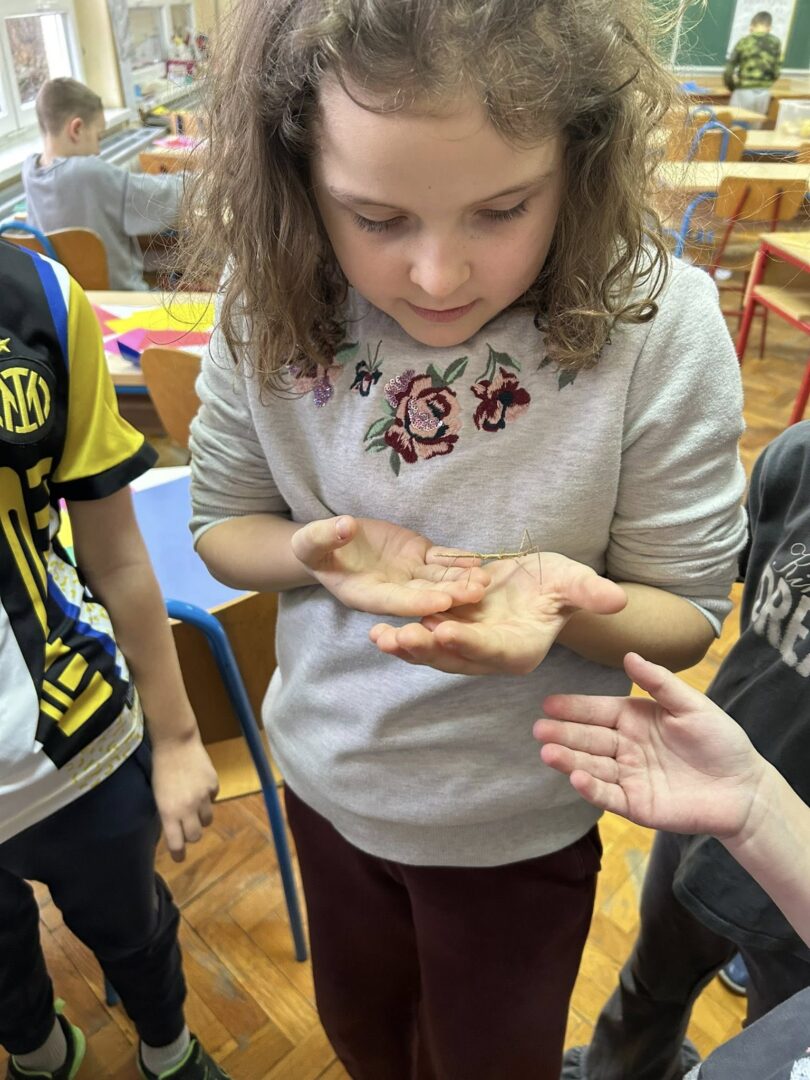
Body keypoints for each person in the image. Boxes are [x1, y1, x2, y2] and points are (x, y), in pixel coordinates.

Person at [183, 0, 748, 1076]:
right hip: (329, 787)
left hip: (518, 822)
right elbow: (222, 525)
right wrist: (308, 554)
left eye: (502, 210)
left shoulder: (659, 325)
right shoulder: (262, 301)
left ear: (579, 157)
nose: (438, 277)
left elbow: (685, 614)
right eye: (375, 218)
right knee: (365, 1040)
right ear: (298, 177)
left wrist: (567, 608)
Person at [0, 239, 228, 1080]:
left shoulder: (36, 295)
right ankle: (41, 1056)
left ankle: (168, 1051)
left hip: (75, 739)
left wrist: (178, 736)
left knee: (135, 929)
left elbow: (117, 554)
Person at [555, 420, 810, 1080]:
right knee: (651, 983)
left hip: (796, 916)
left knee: (769, 1040)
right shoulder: (797, 460)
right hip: (707, 801)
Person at [536, 649, 810, 1080]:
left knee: (763, 1021)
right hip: (714, 789)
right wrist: (754, 802)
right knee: (652, 981)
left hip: (744, 827)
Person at [22, 78, 183, 291]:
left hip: (70, 301)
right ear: (76, 129)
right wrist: (199, 180)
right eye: (98, 137)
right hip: (123, 300)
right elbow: (163, 198)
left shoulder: (30, 171)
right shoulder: (86, 173)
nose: (98, 151)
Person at [723, 11, 782, 115]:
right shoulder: (776, 42)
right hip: (764, 93)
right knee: (756, 123)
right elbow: (777, 72)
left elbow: (728, 71)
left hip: (744, 91)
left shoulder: (744, 41)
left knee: (737, 123)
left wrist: (733, 88)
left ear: (751, 26)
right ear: (769, 27)